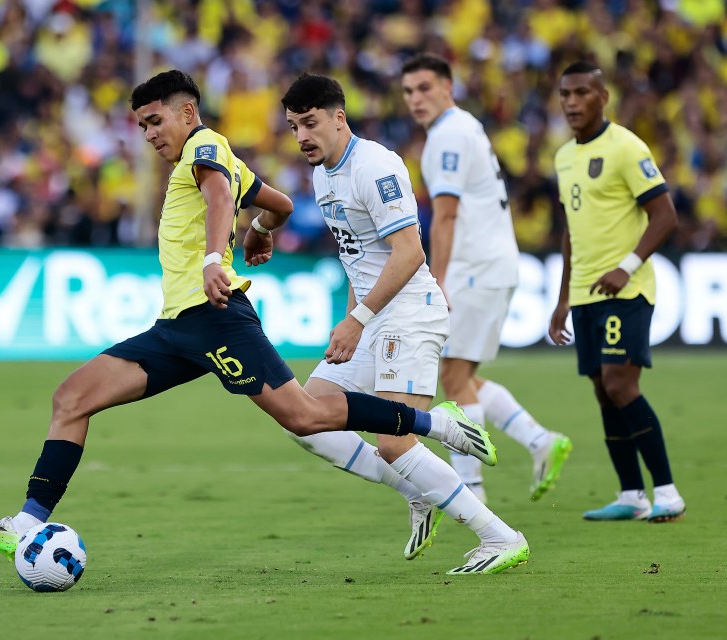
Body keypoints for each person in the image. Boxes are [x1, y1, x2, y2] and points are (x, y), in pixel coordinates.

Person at [0, 70, 495, 559]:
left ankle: (437, 424)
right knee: (71, 398)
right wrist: (260, 230)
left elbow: (218, 196)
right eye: (141, 126)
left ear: (186, 113)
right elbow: (276, 203)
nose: (148, 134)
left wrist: (218, 256)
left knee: (306, 416)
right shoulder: (232, 162)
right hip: (175, 329)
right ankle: (25, 525)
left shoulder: (206, 147)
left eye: (155, 120)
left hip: (216, 317)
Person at [278, 72, 529, 575]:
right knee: (304, 419)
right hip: (372, 322)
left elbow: (410, 251)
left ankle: (500, 537)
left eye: (310, 123)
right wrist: (352, 322)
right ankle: (420, 492)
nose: (302, 136)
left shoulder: (375, 165)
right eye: (293, 127)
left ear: (338, 118)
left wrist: (358, 320)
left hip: (410, 317)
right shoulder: (322, 173)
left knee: (394, 441)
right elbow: (357, 257)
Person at [400, 53, 573, 505]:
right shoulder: (461, 127)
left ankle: (472, 494)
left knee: (454, 382)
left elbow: (447, 213)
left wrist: (436, 279)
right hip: (487, 265)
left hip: (473, 269)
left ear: (447, 87)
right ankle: (539, 441)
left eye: (424, 88)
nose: (415, 99)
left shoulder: (448, 135)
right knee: (461, 376)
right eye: (408, 91)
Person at [549, 61, 685, 522]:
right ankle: (632, 494)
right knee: (603, 391)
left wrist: (627, 267)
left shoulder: (626, 147)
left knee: (620, 383)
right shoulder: (564, 156)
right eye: (565, 94)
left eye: (582, 92)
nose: (571, 102)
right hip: (586, 294)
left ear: (602, 97)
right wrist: (563, 297)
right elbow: (571, 229)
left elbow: (665, 214)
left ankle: (667, 492)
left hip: (626, 290)